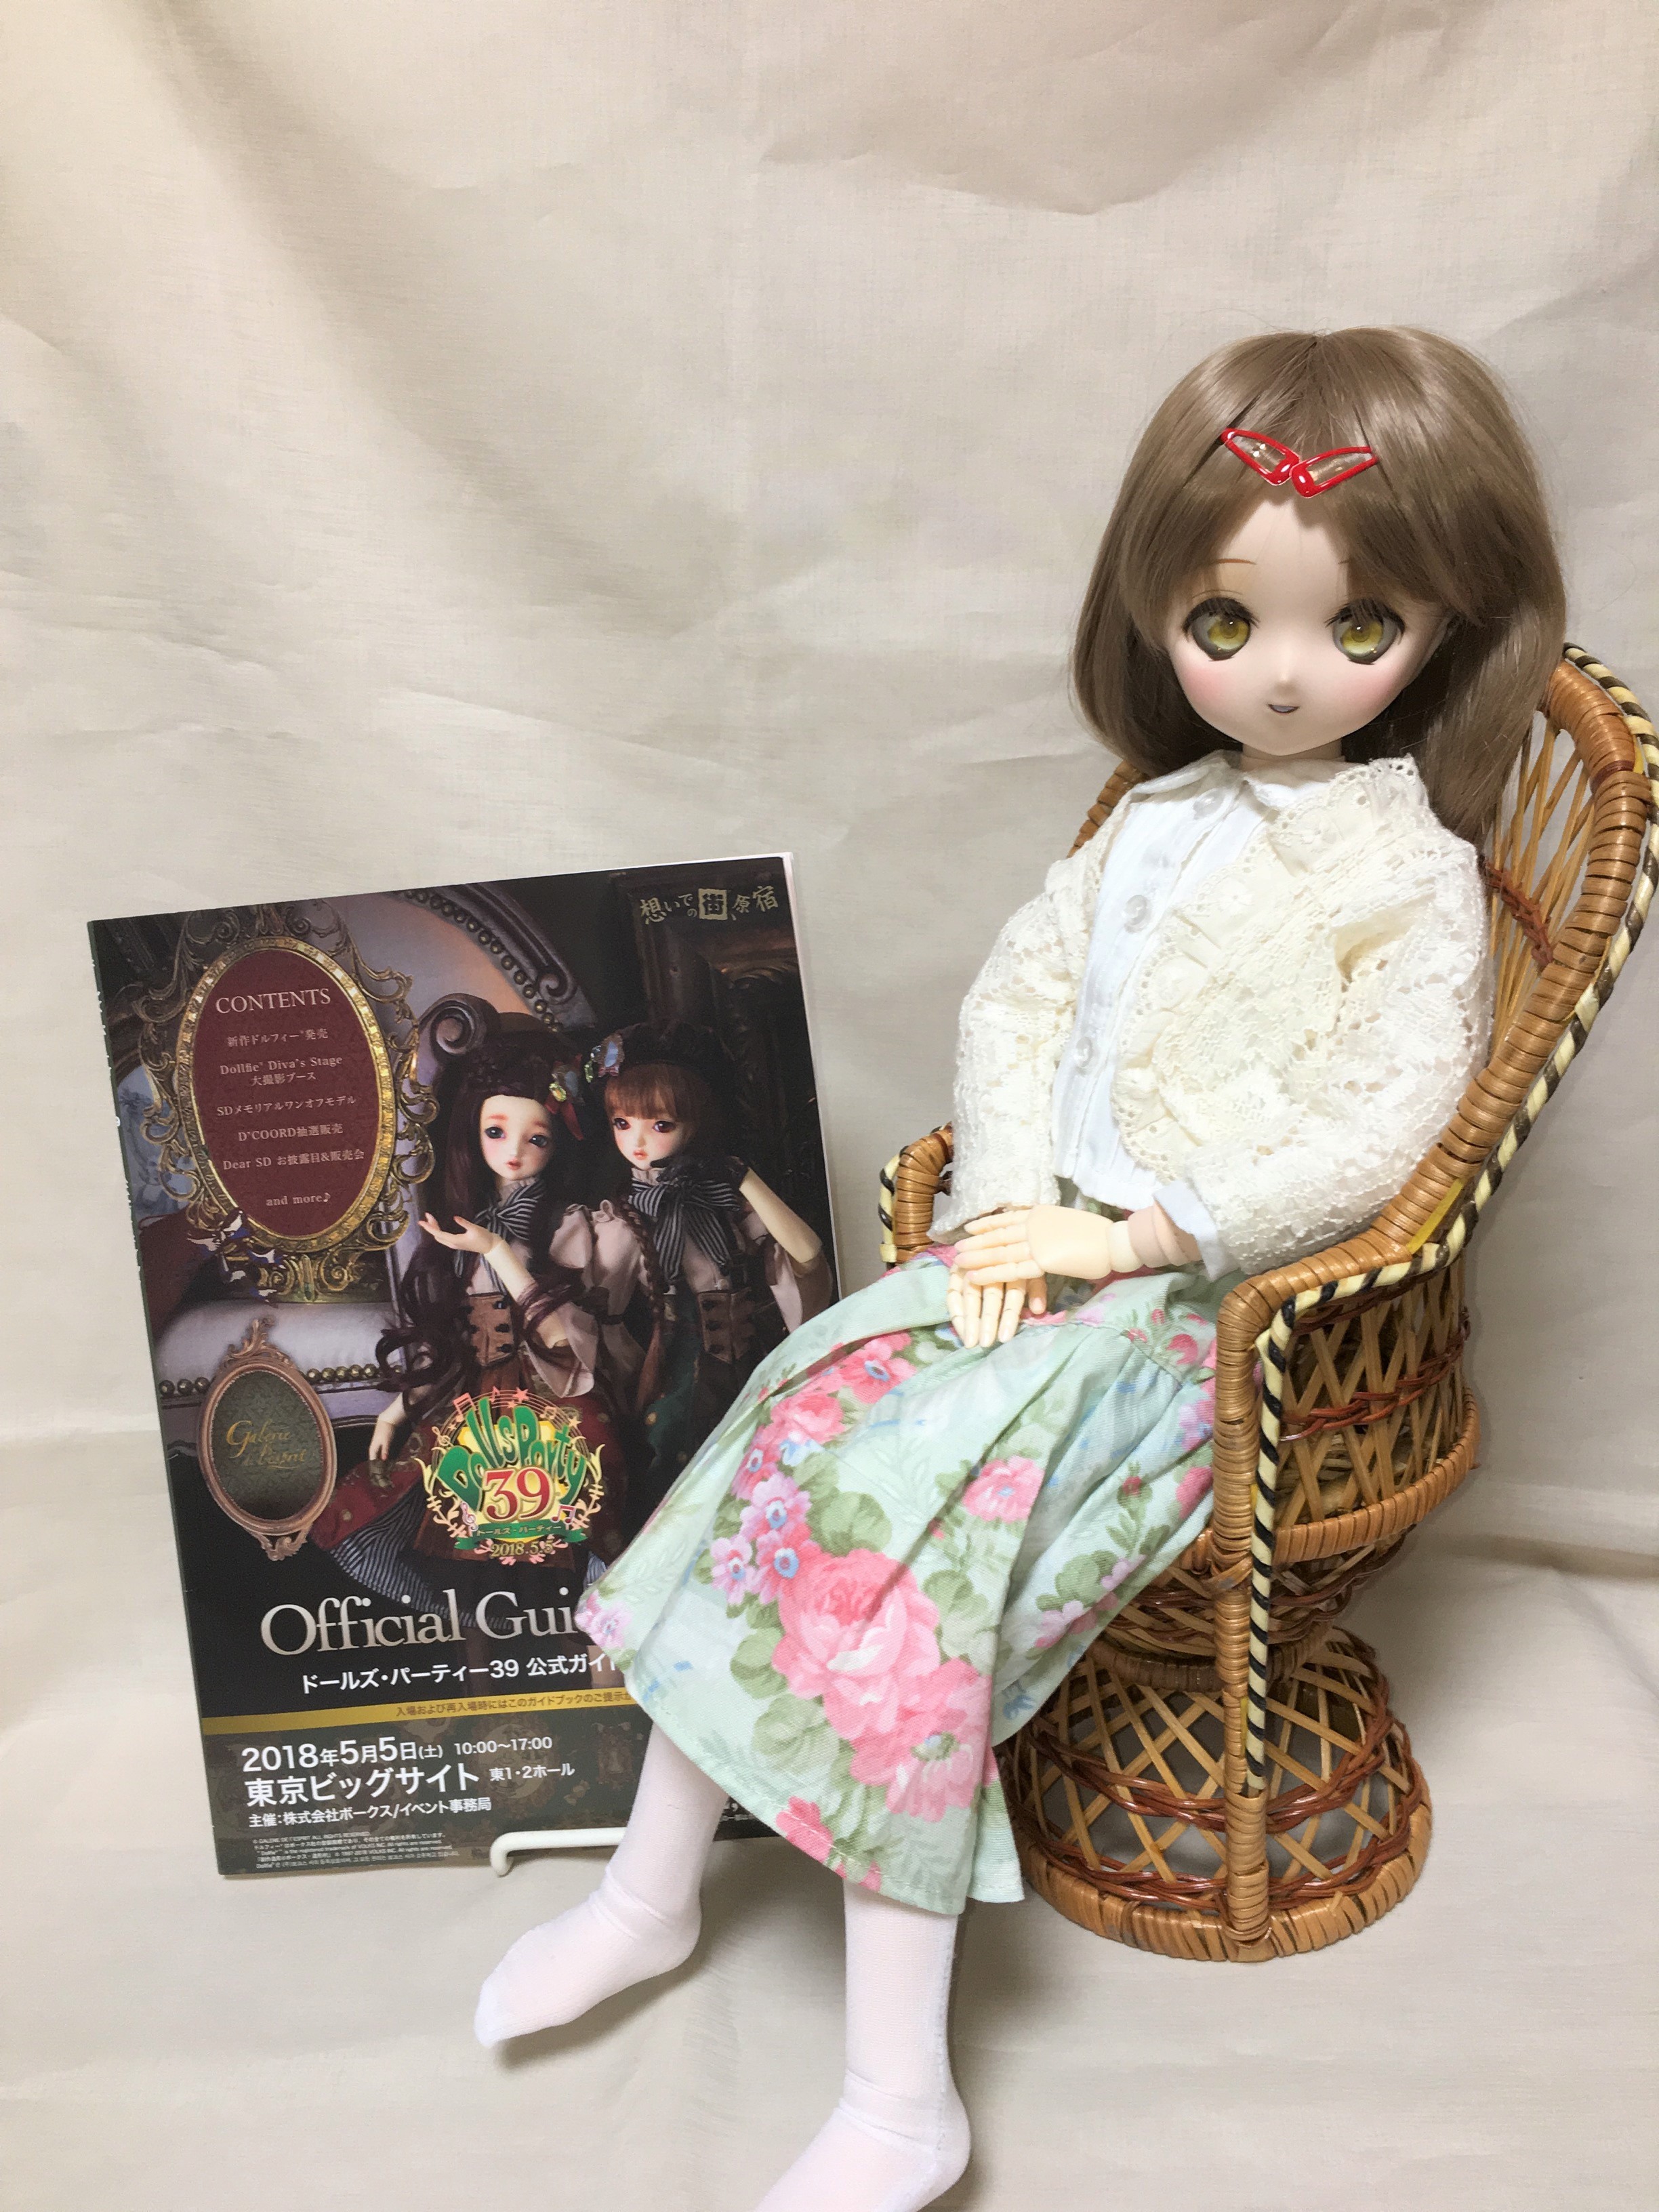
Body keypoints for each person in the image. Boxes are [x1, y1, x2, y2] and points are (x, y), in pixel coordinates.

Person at [473, 329, 1565, 2212]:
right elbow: (1017, 998)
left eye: (1354, 625)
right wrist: (1003, 1205)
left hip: (1217, 1331)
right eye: (1224, 623)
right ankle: (651, 1889)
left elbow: (1384, 1135)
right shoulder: (1148, 817)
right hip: (1036, 1267)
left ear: (1445, 623)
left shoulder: (1408, 873)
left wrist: (1138, 1233)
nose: (1282, 672)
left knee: (899, 1570)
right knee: (777, 1440)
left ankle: (900, 2088)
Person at [309, 1032, 628, 1624]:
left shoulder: (570, 1225)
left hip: (549, 1394)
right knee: (446, 1515)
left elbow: (561, 1340)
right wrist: (395, 1411)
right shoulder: (461, 1226)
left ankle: (572, 1627)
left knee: (553, 1507)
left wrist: (497, 1250)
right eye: (496, 1132)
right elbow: (450, 1340)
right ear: (472, 1135)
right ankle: (477, 1628)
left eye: (537, 1138)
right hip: (475, 1395)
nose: (515, 1153)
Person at [544, 1022, 834, 1536]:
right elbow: (596, 1314)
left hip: (757, 1363)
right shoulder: (624, 1220)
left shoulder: (726, 1201)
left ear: (695, 1123)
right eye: (622, 1123)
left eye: (660, 1124)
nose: (637, 1141)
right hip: (679, 1373)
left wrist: (742, 1177)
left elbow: (807, 1255)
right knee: (678, 1479)